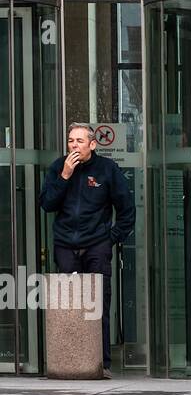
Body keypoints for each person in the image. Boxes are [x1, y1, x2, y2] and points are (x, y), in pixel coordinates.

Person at [39, 123, 135, 377]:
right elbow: (47, 204)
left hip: (96, 245)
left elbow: (126, 209)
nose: (74, 146)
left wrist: (110, 239)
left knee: (98, 304)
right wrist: (65, 176)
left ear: (92, 144)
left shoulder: (107, 170)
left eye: (80, 141)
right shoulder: (58, 167)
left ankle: (100, 363)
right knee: (69, 304)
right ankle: (68, 361)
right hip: (65, 245)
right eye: (71, 141)